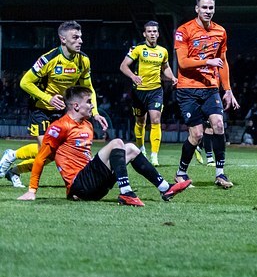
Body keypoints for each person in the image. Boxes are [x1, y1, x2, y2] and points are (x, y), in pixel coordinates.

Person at [16, 86, 190, 206]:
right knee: (117, 143)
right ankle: (126, 192)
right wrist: (32, 190)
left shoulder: (87, 125)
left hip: (94, 186)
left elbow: (85, 157)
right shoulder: (59, 127)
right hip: (79, 186)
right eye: (89, 102)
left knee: (131, 148)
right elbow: (41, 158)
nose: (92, 105)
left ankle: (165, 188)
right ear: (76, 106)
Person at [0, 20, 109, 188]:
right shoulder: (48, 59)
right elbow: (25, 82)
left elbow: (88, 89)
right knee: (48, 149)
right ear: (63, 39)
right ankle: (12, 157)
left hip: (62, 112)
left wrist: (95, 113)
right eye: (75, 37)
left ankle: (14, 169)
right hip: (41, 109)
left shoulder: (83, 60)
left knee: (51, 153)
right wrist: (48, 98)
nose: (80, 41)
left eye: (81, 37)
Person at [172, 0, 239, 188]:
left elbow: (223, 61)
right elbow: (183, 63)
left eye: (211, 8)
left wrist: (228, 90)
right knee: (197, 135)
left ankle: (220, 174)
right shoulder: (184, 30)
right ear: (197, 9)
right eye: (204, 7)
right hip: (188, 89)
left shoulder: (220, 31)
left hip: (210, 88)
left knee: (218, 125)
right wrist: (207, 61)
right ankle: (181, 173)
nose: (208, 11)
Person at [119, 20, 177, 166]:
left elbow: (165, 68)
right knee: (140, 122)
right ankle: (141, 149)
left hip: (156, 90)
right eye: (149, 31)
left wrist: (172, 77)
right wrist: (133, 76)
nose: (152, 34)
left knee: (156, 120)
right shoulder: (137, 49)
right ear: (145, 34)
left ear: (158, 34)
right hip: (139, 91)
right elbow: (123, 66)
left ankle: (154, 156)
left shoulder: (163, 51)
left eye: (154, 31)